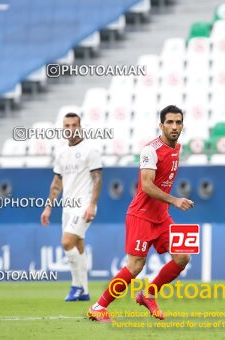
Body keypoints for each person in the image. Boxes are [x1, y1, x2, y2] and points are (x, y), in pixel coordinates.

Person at [88, 105, 194, 322]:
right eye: (170, 122)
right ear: (161, 125)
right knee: (136, 266)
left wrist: (168, 204)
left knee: (183, 256)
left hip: (161, 216)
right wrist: (174, 200)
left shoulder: (177, 147)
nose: (174, 126)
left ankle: (148, 294)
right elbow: (146, 185)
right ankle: (99, 307)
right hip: (141, 215)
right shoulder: (150, 150)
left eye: (178, 122)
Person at [41, 113, 103, 301]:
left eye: (74, 125)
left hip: (84, 206)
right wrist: (48, 207)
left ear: (80, 126)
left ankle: (76, 285)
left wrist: (92, 204)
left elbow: (98, 179)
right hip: (68, 207)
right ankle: (84, 291)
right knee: (77, 245)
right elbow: (56, 183)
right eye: (67, 125)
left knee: (66, 242)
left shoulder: (90, 150)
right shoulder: (61, 153)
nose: (70, 129)